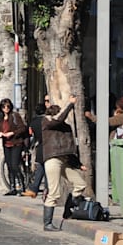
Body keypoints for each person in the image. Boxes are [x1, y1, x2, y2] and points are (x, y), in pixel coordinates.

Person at [40, 96, 90, 231]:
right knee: (54, 193)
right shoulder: (47, 122)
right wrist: (70, 105)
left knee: (80, 184)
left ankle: (68, 209)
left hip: (64, 160)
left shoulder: (65, 127)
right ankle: (47, 223)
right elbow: (57, 120)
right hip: (52, 159)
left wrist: (78, 164)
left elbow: (69, 148)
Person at [0, 98, 30, 196]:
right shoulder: (0, 117)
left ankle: (22, 186)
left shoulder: (15, 116)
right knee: (9, 165)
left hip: (16, 143)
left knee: (15, 165)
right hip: (6, 144)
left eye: (8, 106)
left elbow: (22, 128)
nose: (6, 108)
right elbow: (1, 128)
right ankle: (12, 187)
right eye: (3, 106)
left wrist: (12, 133)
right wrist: (0, 134)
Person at [22, 96, 50, 198]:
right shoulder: (47, 120)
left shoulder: (33, 122)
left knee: (41, 168)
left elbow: (31, 134)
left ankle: (34, 188)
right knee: (46, 169)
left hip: (40, 146)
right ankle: (46, 190)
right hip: (49, 146)